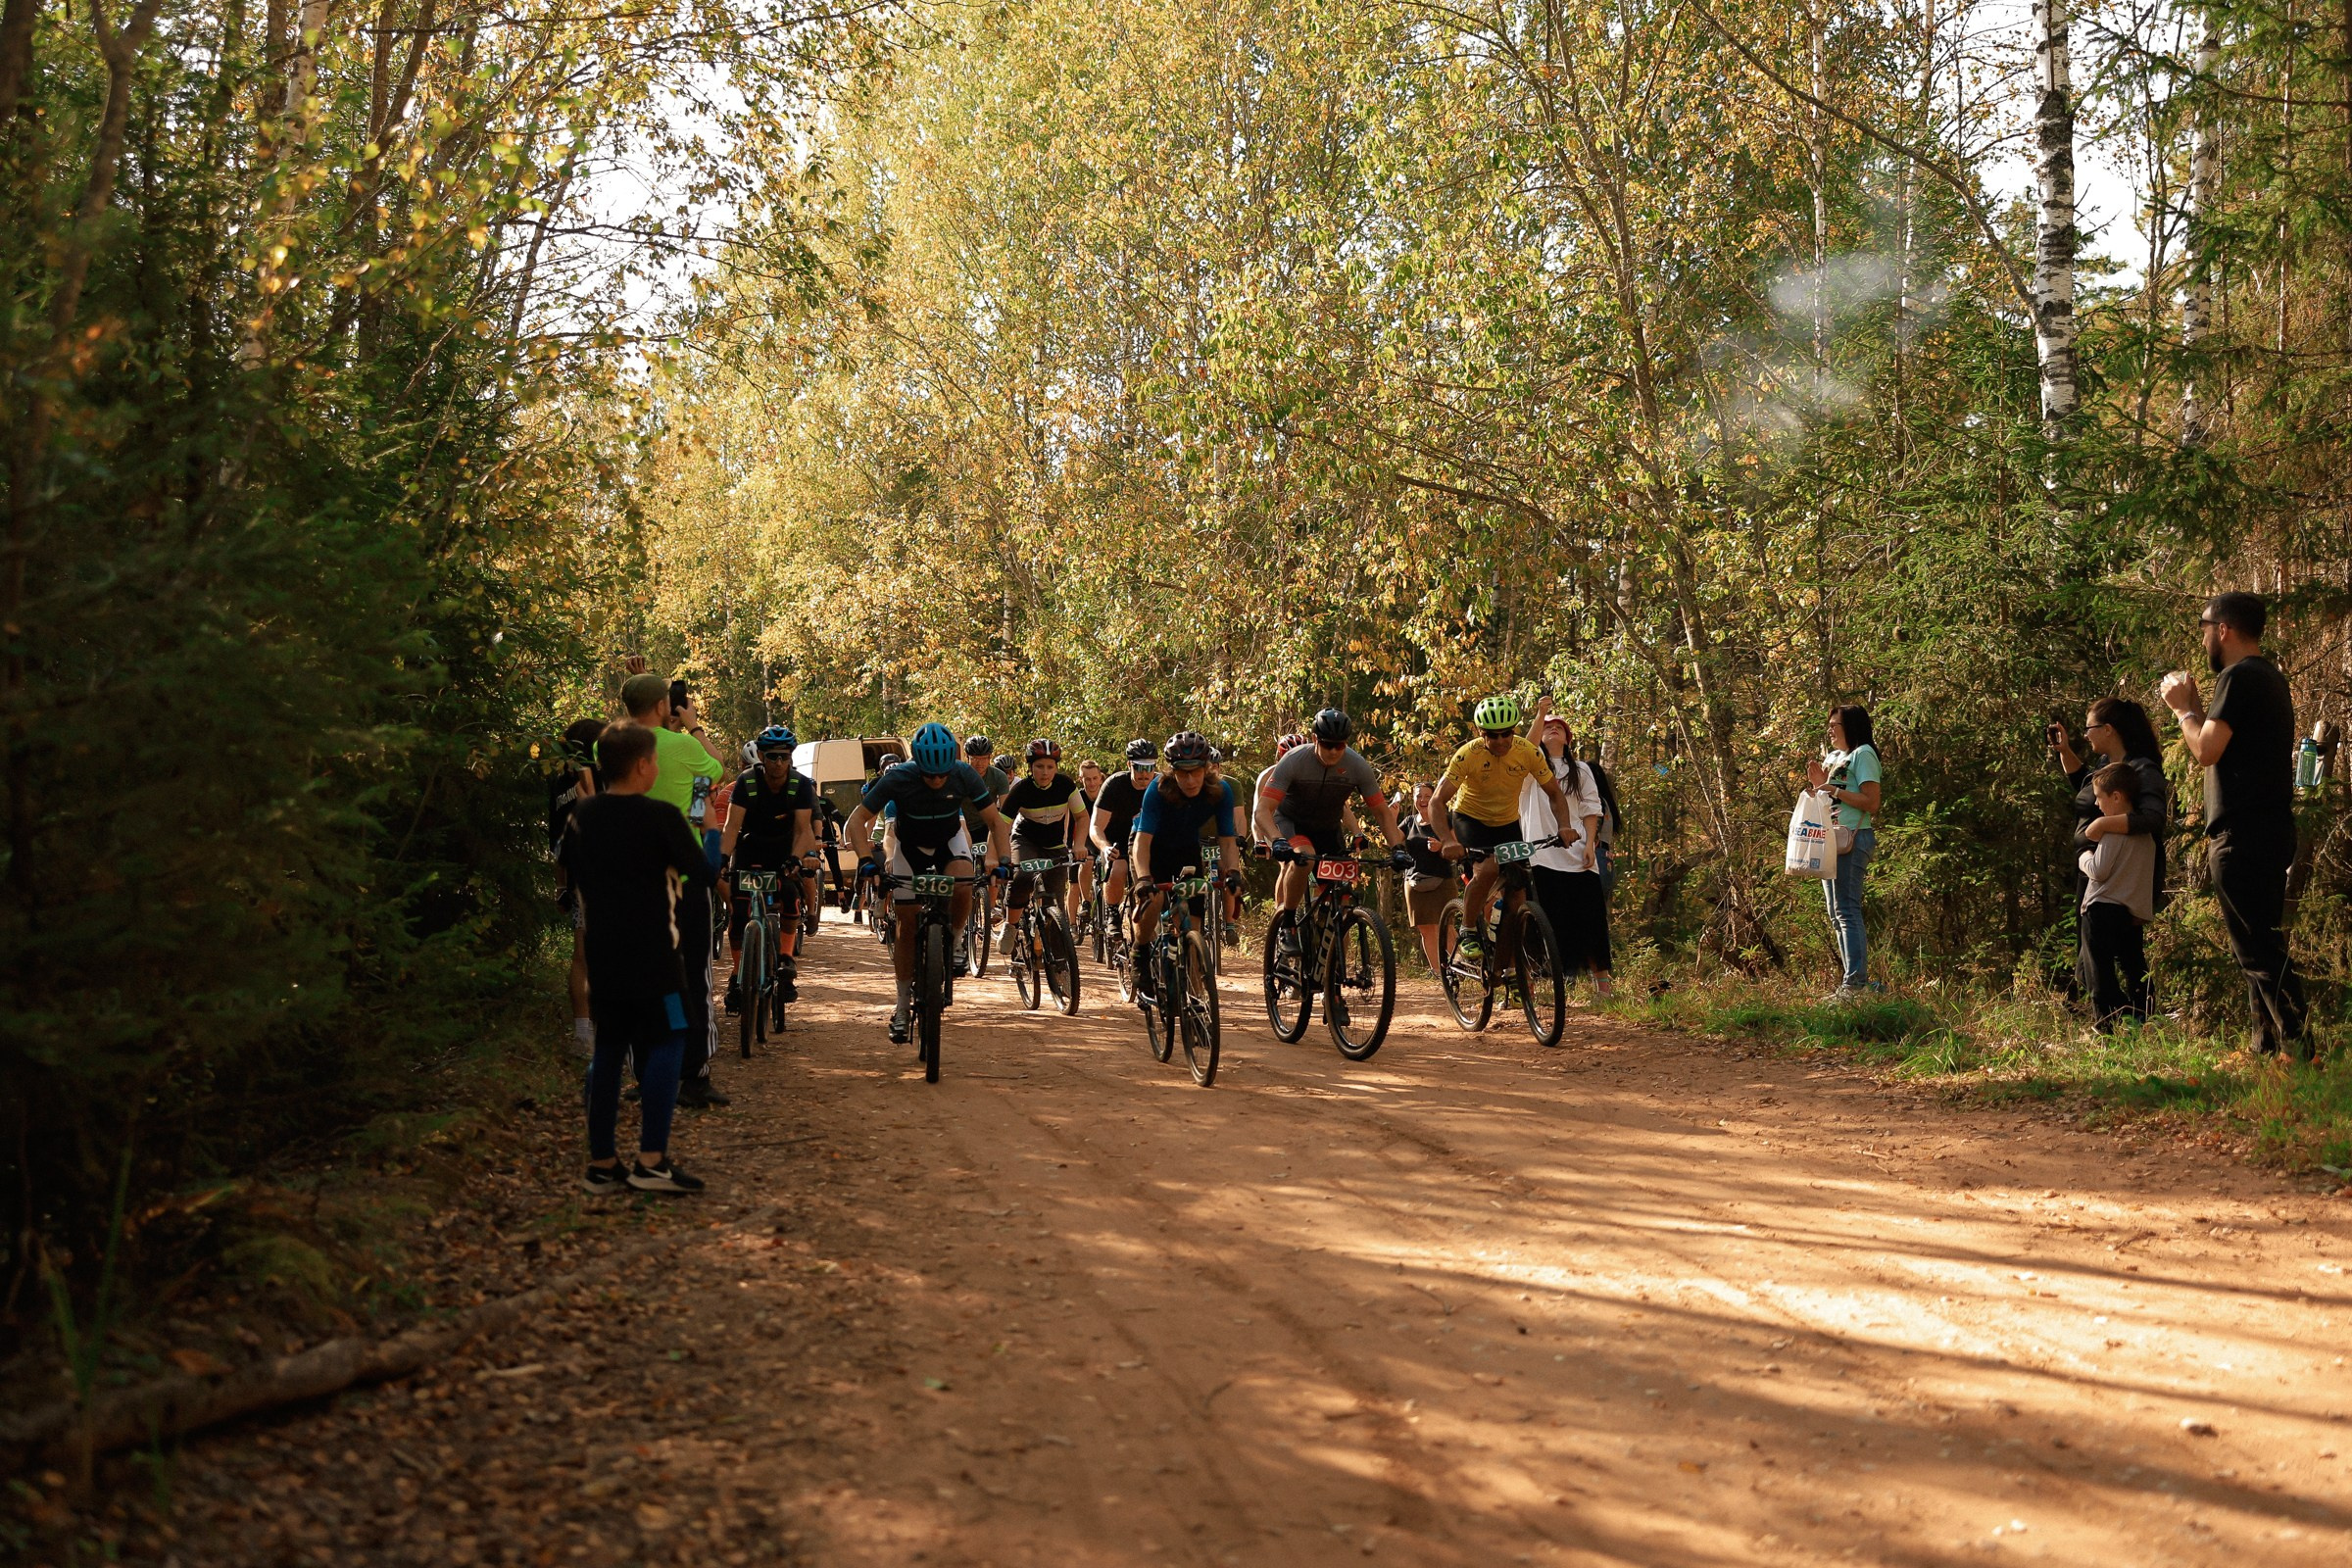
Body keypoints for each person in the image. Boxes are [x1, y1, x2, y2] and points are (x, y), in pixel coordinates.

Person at [564, 720, 710, 1195]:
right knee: (671, 1040)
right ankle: (651, 1161)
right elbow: (703, 874)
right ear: (644, 765)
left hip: (603, 959)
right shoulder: (661, 818)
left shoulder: (581, 817)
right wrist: (709, 834)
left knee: (608, 1051)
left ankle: (603, 1165)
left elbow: (571, 869)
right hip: (656, 961)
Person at [2162, 592, 2308, 1057]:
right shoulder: (2268, 678)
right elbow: (2222, 742)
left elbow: (2205, 750)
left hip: (2241, 834)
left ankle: (2300, 1047)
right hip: (2268, 828)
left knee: (2257, 949)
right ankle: (2266, 1048)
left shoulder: (2238, 676)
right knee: (2258, 941)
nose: (2203, 637)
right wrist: (2200, 714)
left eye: (2204, 627)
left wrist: (2183, 709)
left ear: (2222, 628)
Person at [842, 723, 1013, 1043]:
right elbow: (856, 820)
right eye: (929, 775)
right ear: (917, 764)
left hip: (949, 842)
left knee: (964, 881)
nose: (936, 780)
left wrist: (1002, 861)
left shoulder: (963, 773)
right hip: (910, 848)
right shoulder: (898, 777)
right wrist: (866, 860)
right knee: (906, 925)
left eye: (942, 774)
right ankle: (903, 1004)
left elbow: (994, 820)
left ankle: (958, 940)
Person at [613, 672, 734, 1105]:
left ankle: (644, 1077)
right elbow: (716, 770)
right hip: (682, 875)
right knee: (693, 977)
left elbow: (703, 792)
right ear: (666, 706)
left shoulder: (612, 744)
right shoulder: (684, 748)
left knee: (638, 976)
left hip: (630, 878)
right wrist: (694, 725)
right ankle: (695, 1078)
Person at [1431, 695, 1576, 959]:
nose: (1500, 741)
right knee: (1487, 868)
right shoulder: (1468, 755)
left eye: (1506, 734)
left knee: (1518, 893)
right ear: (1480, 733)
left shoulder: (1527, 752)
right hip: (1470, 818)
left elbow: (1555, 794)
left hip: (1507, 823)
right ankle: (1468, 927)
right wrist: (1447, 839)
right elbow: (1437, 800)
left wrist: (1564, 826)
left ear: (1514, 731)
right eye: (1492, 735)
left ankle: (1507, 966)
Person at [2050, 697, 2169, 1011]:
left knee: (2125, 952)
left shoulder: (2143, 770)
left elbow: (2154, 818)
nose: (2086, 734)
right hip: (2094, 870)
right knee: (2098, 947)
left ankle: (2121, 1013)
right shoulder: (2106, 768)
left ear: (2109, 729)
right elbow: (2087, 791)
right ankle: (2124, 1013)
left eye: (2090, 728)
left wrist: (2101, 826)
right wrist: (2065, 752)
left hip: (2120, 875)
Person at [1253, 709, 1409, 947]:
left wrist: (1397, 847)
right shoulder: (1294, 760)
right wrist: (1276, 840)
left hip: (1328, 828)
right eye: (1327, 745)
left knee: (1342, 898)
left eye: (1340, 745)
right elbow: (1262, 810)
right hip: (1292, 823)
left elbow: (1380, 812)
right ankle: (1288, 923)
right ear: (1315, 739)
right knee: (1304, 859)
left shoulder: (1357, 765)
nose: (1334, 751)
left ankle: (1333, 959)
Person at [719, 726, 818, 1012]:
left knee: (788, 891)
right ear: (762, 756)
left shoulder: (799, 785)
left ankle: (786, 959)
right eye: (772, 757)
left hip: (784, 848)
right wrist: (723, 858)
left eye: (784, 757)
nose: (778, 763)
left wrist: (795, 859)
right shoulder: (746, 783)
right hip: (750, 849)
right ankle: (739, 975)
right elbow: (731, 827)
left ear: (790, 757)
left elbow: (803, 830)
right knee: (738, 913)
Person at [1128, 732, 1243, 976]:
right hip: (1152, 850)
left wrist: (1233, 872)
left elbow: (1228, 842)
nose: (1190, 780)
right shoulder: (1157, 790)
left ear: (1206, 769)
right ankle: (1140, 950)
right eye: (1182, 772)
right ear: (1172, 772)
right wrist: (1144, 878)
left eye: (1196, 772)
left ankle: (1192, 993)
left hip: (1187, 849)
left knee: (1194, 927)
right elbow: (1142, 841)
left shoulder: (1220, 791)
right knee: (1155, 899)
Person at [1519, 701, 1613, 997]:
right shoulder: (1527, 770)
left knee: (1591, 919)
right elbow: (1525, 748)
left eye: (1558, 726)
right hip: (1540, 855)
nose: (1553, 728)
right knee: (1543, 920)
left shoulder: (1582, 769)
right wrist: (1538, 716)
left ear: (1568, 738)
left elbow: (1590, 808)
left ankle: (1603, 987)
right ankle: (1539, 984)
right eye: (1547, 727)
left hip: (1578, 854)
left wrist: (1589, 844)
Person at [1805, 705, 1883, 997]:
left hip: (1853, 838)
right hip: (1831, 840)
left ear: (1851, 726)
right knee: (1835, 913)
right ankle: (1852, 981)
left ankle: (1856, 984)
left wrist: (1834, 790)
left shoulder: (1863, 754)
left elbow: (1871, 802)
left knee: (1847, 910)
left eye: (1835, 725)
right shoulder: (1834, 757)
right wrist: (1818, 786)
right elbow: (1828, 796)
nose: (1830, 730)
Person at [2078, 763, 2156, 1030]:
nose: (2097, 804)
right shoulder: (2147, 837)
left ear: (2117, 797)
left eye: (2099, 797)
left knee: (2098, 971)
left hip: (2100, 909)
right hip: (2128, 913)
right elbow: (2144, 878)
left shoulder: (2112, 831)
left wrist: (2084, 858)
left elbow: (2098, 871)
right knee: (2134, 965)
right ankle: (2143, 1015)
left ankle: (2106, 1026)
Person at [549, 718, 606, 1058]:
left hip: (577, 876)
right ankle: (615, 1033)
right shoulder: (598, 776)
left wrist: (560, 886)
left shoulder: (557, 782)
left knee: (582, 955)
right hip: (606, 872)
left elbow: (556, 842)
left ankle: (583, 1033)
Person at [1000, 738, 1088, 929]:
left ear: (1056, 767)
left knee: (1055, 901)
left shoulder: (1065, 785)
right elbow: (1001, 826)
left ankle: (1059, 956)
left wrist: (1079, 844)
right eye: (1039, 766)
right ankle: (1011, 926)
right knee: (1023, 877)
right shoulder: (1021, 790)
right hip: (1025, 841)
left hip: (1055, 845)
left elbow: (1082, 817)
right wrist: (1000, 856)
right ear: (1031, 767)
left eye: (1050, 766)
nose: (1045, 772)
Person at [1091, 739, 1157, 927]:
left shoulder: (1161, 785)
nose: (1144, 774)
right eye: (1138, 768)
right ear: (1129, 765)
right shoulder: (1114, 785)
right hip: (1117, 841)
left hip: (1147, 842)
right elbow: (1095, 826)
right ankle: (1113, 913)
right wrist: (1104, 847)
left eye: (1149, 768)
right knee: (1118, 869)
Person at [1397, 780, 1455, 973]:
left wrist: (1441, 846)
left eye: (1427, 796)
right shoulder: (1408, 822)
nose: (1422, 800)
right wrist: (1390, 815)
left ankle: (1459, 969)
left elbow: (1457, 847)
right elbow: (1393, 842)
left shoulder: (1446, 820)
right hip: (1414, 882)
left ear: (1435, 798)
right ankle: (1439, 974)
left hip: (1443, 880)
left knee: (1446, 927)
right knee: (1425, 929)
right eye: (1418, 796)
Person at [1072, 759, 1105, 920]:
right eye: (1087, 779)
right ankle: (1086, 901)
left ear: (1100, 778)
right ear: (1081, 779)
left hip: (1104, 837)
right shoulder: (1076, 797)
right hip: (1084, 839)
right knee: (1087, 861)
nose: (1092, 783)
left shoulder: (1108, 794)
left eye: (1094, 778)